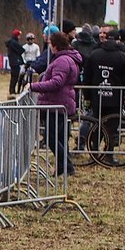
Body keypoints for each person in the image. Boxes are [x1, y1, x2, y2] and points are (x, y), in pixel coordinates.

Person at [30, 30, 82, 176]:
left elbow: (56, 82)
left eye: (51, 44)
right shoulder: (66, 59)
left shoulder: (62, 61)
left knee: (51, 137)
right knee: (59, 137)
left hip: (57, 103)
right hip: (60, 102)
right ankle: (63, 168)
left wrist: (34, 86)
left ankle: (67, 166)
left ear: (55, 46)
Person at [82, 29, 125, 160]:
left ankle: (94, 153)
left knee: (96, 124)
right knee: (111, 127)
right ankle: (109, 154)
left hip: (97, 96)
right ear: (118, 40)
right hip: (115, 98)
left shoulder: (94, 54)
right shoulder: (122, 57)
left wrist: (87, 97)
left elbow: (87, 77)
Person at [5, 29, 25, 96]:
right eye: (19, 35)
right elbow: (21, 50)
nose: (20, 37)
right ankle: (12, 91)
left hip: (13, 62)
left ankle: (12, 90)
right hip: (15, 62)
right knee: (15, 77)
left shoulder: (11, 42)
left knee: (14, 77)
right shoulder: (13, 43)